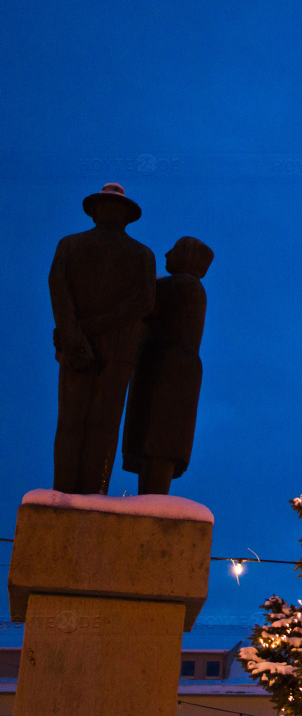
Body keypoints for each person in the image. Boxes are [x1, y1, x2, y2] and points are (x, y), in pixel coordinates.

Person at [49, 183, 156, 495]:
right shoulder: (140, 254)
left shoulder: (71, 245)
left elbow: (59, 293)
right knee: (101, 426)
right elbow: (144, 303)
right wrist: (80, 333)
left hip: (79, 347)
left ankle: (67, 492)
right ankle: (91, 493)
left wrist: (76, 333)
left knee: (75, 422)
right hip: (106, 349)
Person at [121, 237, 214, 495]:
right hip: (168, 367)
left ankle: (152, 498)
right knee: (154, 442)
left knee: (157, 439)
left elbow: (141, 302)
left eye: (175, 250)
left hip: (167, 371)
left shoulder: (182, 285)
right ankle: (151, 495)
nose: (166, 254)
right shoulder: (187, 288)